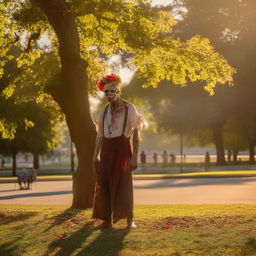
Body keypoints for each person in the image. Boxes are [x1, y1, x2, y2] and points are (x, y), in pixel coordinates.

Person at [92, 73, 145, 229]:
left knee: (124, 183)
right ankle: (106, 219)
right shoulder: (104, 112)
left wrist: (134, 156)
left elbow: (136, 134)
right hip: (107, 149)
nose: (109, 94)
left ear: (118, 91)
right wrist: (95, 156)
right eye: (106, 92)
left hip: (122, 148)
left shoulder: (129, 108)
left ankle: (130, 219)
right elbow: (100, 135)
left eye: (112, 91)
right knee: (104, 182)